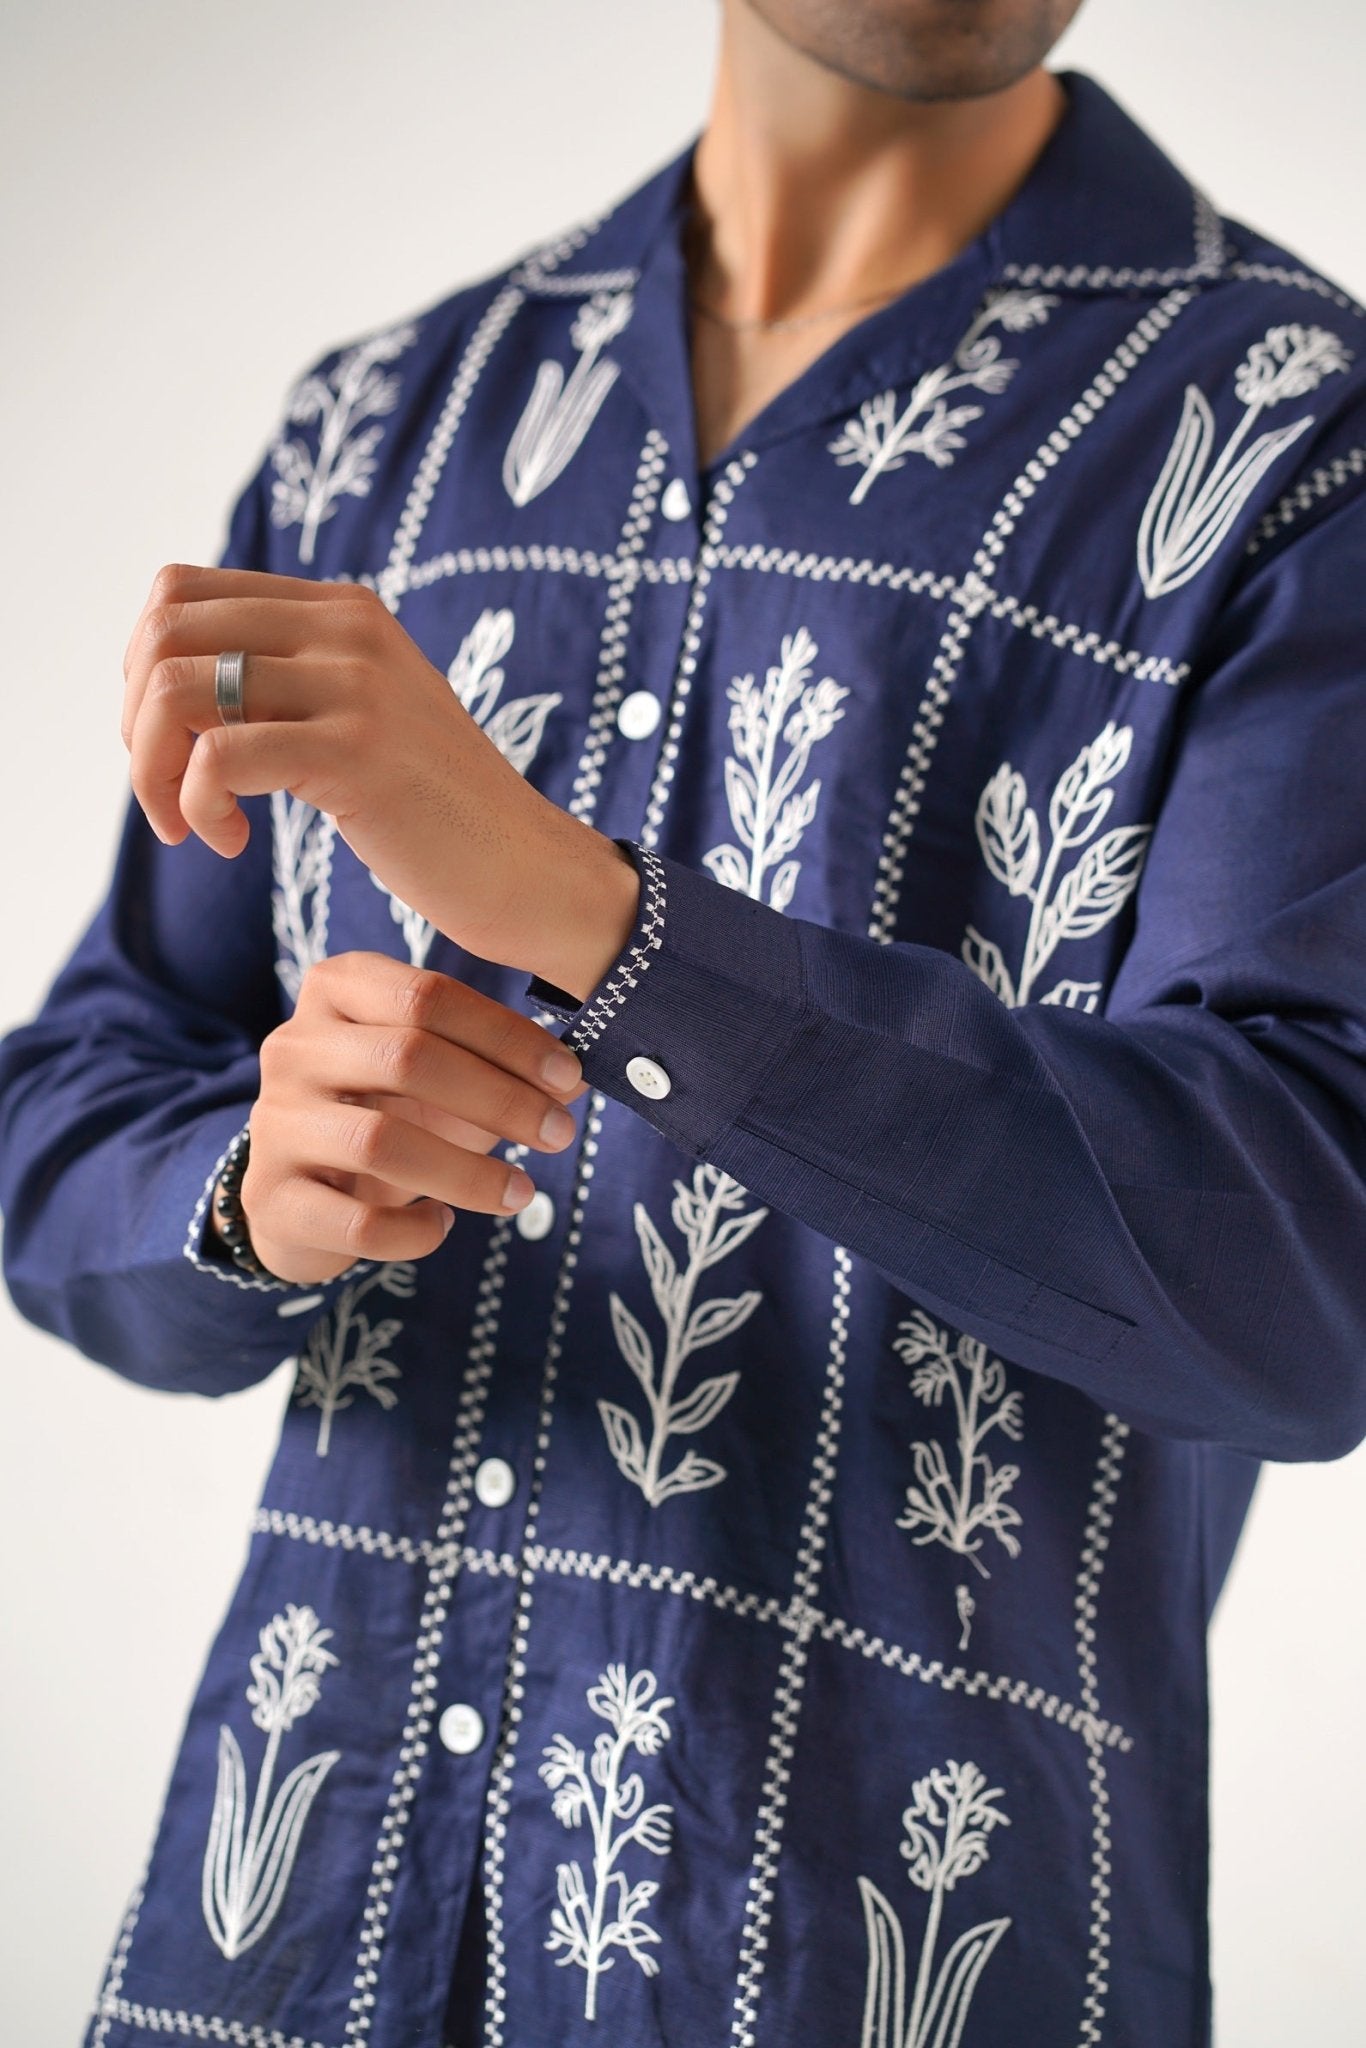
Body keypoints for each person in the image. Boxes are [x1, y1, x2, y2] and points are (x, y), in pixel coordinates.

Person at [2, 1, 1364, 2042]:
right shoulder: (382, 429)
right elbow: (65, 1123)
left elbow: (1304, 1264)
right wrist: (250, 1186)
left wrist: (580, 914)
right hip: (282, 1952)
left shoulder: (1296, 444)